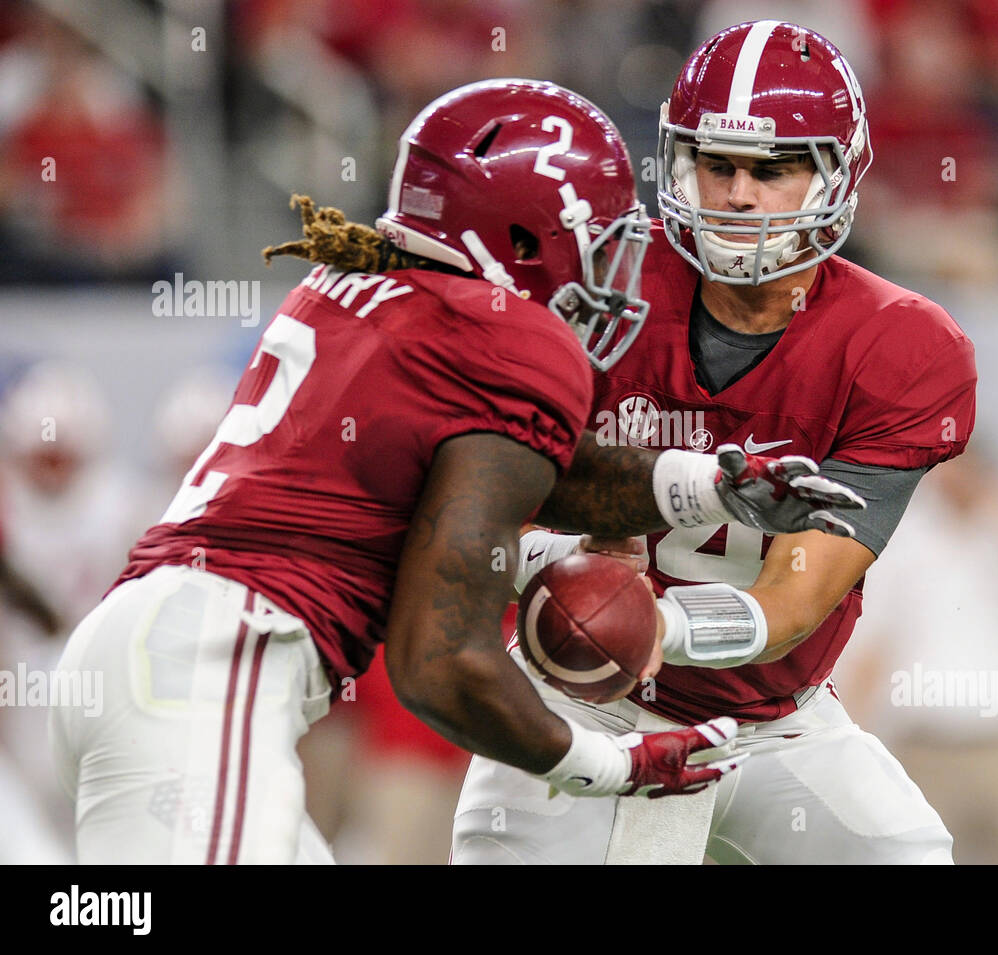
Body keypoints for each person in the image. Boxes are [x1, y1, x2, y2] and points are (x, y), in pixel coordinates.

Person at [49, 78, 861, 864]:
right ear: (521, 235)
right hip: (213, 666)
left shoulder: (354, 283)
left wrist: (705, 485)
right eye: (599, 239)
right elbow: (441, 662)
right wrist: (613, 764)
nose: (609, 272)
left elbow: (520, 471)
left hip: (153, 646)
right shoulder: (509, 339)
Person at [451, 22, 978, 865]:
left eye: (773, 169)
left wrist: (648, 620)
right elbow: (474, 522)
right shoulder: (595, 287)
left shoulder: (900, 345)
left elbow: (794, 599)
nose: (737, 194)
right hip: (584, 707)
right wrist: (564, 567)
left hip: (775, 724)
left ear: (836, 175)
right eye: (717, 163)